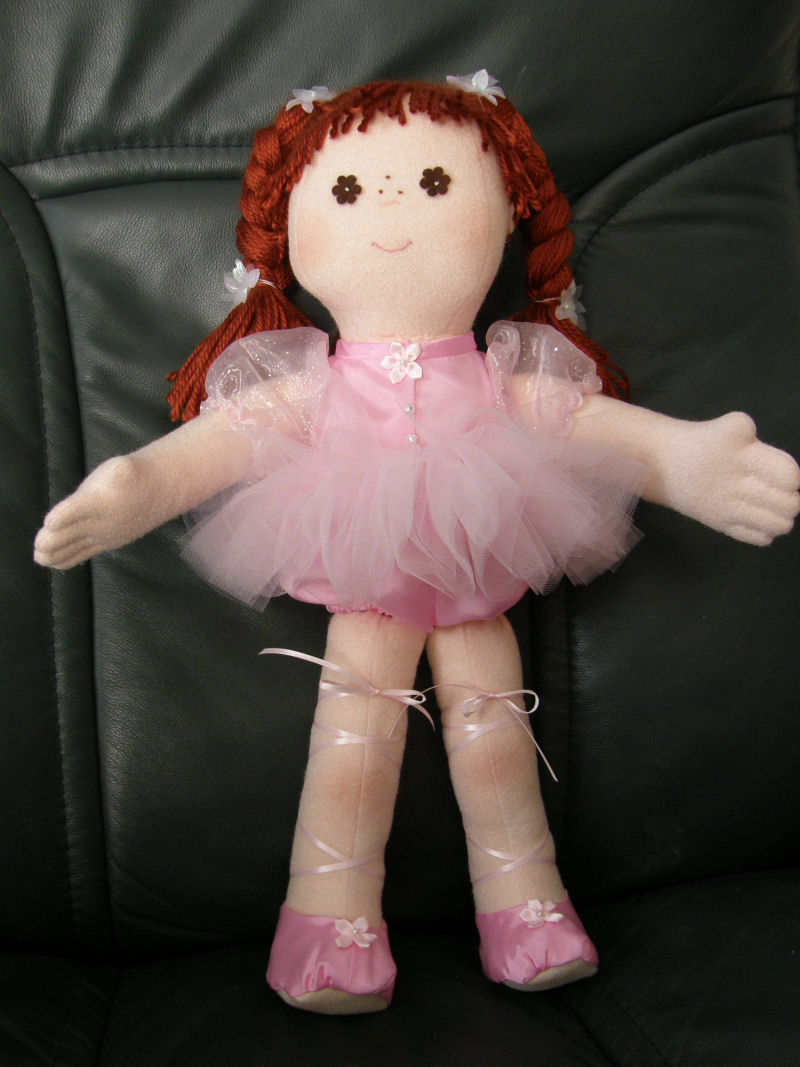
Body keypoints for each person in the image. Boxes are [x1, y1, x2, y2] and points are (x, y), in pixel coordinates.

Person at [34, 74, 800, 1014]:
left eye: (437, 182)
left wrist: (684, 462)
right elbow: (222, 442)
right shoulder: (311, 379)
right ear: (292, 232)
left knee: (495, 732)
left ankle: (527, 908)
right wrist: (137, 487)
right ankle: (327, 925)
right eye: (350, 190)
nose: (392, 205)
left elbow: (586, 424)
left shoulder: (503, 371)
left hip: (482, 557)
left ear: (506, 212)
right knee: (353, 736)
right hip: (364, 567)